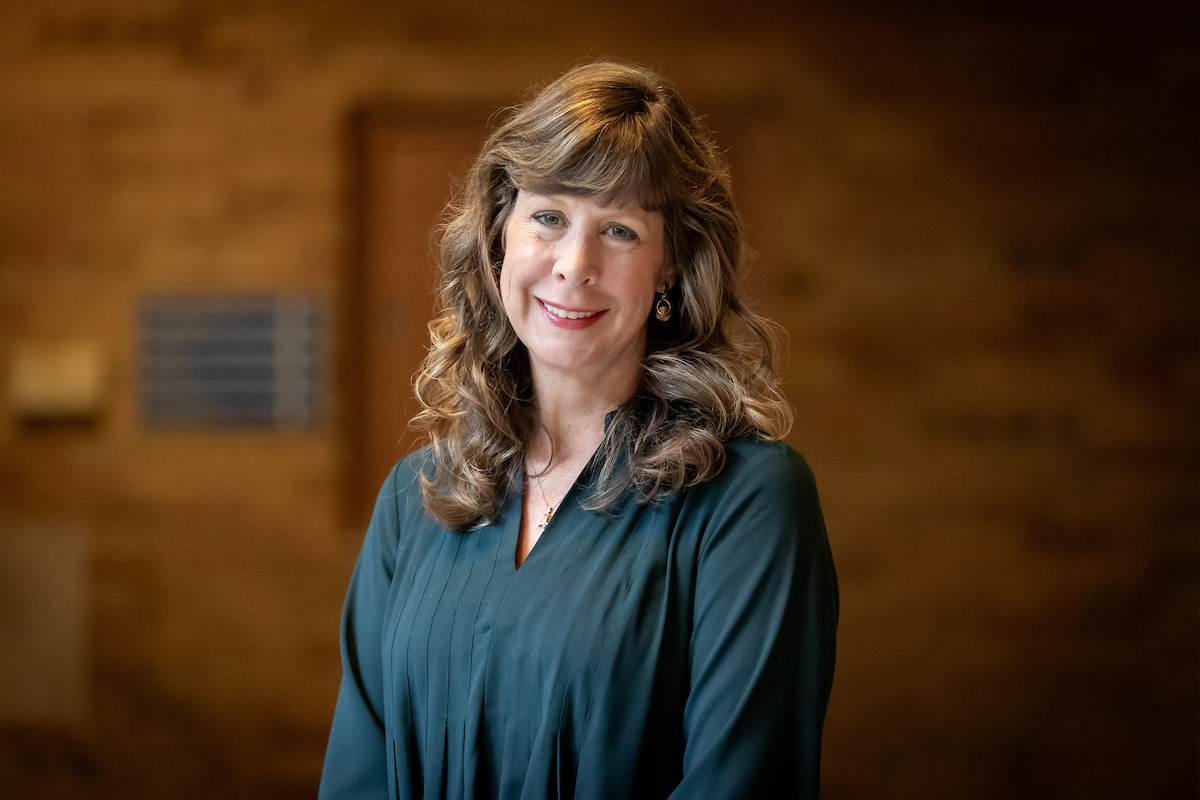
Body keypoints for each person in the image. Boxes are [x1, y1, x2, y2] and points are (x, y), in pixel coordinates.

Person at [319, 61, 838, 800]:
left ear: (672, 267)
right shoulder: (418, 498)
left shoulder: (747, 504)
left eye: (620, 230)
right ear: (500, 235)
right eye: (549, 216)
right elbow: (357, 779)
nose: (575, 265)